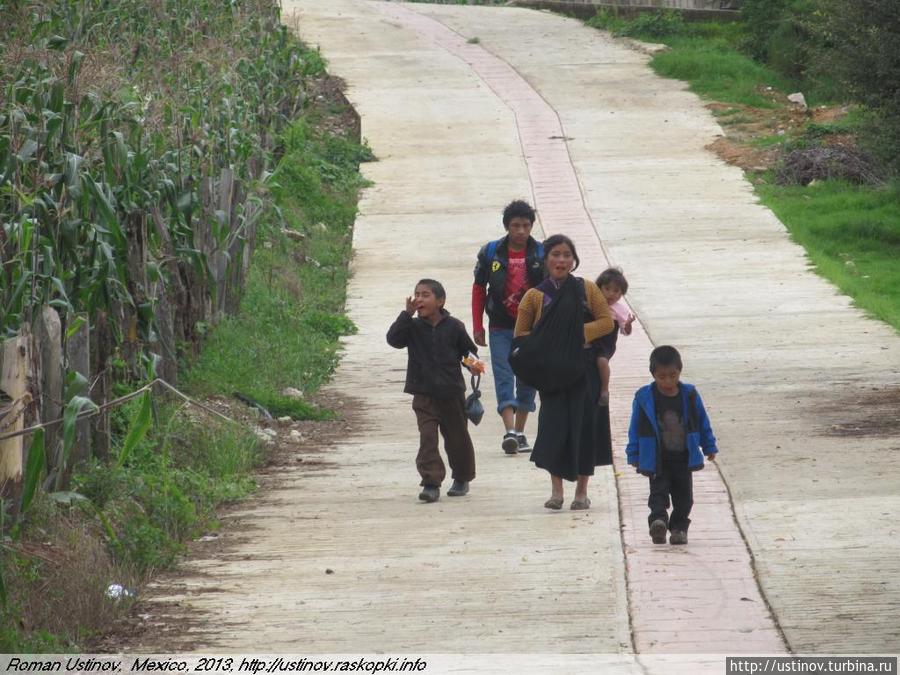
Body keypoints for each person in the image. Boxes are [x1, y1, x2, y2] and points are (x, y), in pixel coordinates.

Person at [514, 234, 615, 510]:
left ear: (574, 260)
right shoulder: (534, 297)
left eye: (567, 255)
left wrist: (575, 334)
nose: (561, 260)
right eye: (556, 254)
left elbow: (607, 322)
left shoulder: (587, 289)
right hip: (552, 375)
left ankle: (581, 492)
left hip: (584, 370)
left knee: (586, 428)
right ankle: (556, 491)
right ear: (545, 260)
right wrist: (548, 342)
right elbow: (521, 335)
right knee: (553, 429)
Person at [387, 279, 483, 503]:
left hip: (452, 393)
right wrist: (405, 315)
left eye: (426, 295)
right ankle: (431, 482)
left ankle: (462, 477)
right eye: (417, 294)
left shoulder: (455, 327)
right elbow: (393, 340)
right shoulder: (411, 327)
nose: (419, 299)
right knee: (428, 438)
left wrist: (473, 365)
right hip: (423, 394)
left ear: (440, 301)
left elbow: (468, 351)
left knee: (457, 438)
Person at [625, 346, 719, 545]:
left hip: (684, 458)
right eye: (662, 377)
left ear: (680, 371)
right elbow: (635, 427)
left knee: (685, 499)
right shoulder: (645, 398)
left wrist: (709, 446)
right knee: (658, 494)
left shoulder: (690, 395)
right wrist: (633, 453)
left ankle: (678, 528)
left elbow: (702, 421)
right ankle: (658, 522)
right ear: (653, 374)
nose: (667, 381)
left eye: (672, 375)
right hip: (657, 459)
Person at [472, 200, 545, 455]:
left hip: (533, 328)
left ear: (532, 226)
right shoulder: (491, 252)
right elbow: (479, 289)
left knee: (528, 377)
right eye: (516, 226)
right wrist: (477, 324)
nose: (521, 231)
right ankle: (509, 431)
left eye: (526, 225)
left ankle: (521, 431)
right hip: (500, 326)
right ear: (507, 226)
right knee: (504, 376)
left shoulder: (542, 254)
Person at [594, 267, 636, 407]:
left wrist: (628, 324)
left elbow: (625, 330)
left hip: (606, 343)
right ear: (599, 288)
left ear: (621, 294)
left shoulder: (619, 310)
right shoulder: (593, 303)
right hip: (591, 339)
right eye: (607, 289)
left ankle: (604, 389)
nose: (611, 294)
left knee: (601, 360)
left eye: (616, 291)